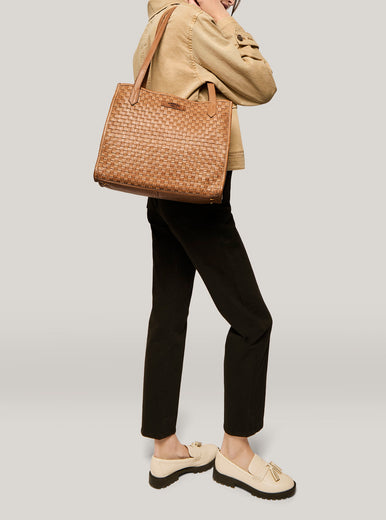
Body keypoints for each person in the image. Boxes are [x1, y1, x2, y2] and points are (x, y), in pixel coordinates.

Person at [132, 0, 296, 499]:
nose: (230, 2)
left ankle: (165, 449)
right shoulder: (193, 22)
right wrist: (225, 22)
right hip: (195, 187)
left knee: (169, 312)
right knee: (253, 320)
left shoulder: (157, 19)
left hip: (161, 182)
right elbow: (261, 84)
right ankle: (237, 453)